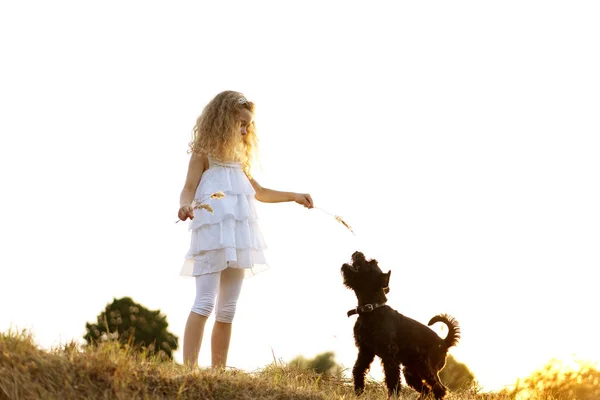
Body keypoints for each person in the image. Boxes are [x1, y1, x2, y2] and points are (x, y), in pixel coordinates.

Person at [177, 90, 314, 369]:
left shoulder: (239, 161)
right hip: (212, 234)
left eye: (247, 125)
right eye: (239, 122)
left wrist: (295, 195)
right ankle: (189, 372)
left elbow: (260, 192)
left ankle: (218, 373)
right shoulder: (204, 154)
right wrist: (184, 205)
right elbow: (188, 188)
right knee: (204, 302)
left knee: (227, 310)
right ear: (221, 120)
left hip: (239, 237)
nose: (243, 129)